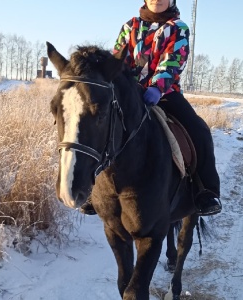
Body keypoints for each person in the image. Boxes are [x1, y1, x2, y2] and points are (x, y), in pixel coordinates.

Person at [80, 0, 222, 216]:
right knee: (100, 127)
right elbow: (118, 59)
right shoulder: (130, 26)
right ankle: (94, 189)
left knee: (199, 130)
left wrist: (157, 88)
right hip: (129, 95)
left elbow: (173, 61)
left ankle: (206, 190)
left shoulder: (177, 27)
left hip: (165, 94)